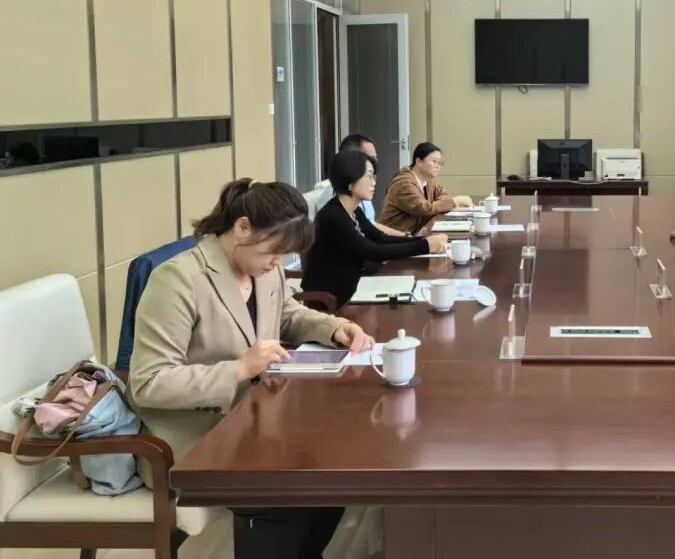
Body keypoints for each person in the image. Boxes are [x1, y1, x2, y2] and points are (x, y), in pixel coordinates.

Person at [128, 179, 375, 559]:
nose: (278, 263)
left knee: (335, 468)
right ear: (242, 228)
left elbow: (288, 314)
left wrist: (334, 327)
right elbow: (149, 383)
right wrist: (239, 369)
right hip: (199, 434)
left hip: (260, 420)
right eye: (274, 252)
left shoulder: (264, 269)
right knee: (284, 492)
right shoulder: (178, 281)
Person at [303, 150, 450, 306]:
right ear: (350, 179)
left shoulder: (353, 210)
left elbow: (381, 238)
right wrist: (425, 246)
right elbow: (373, 251)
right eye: (369, 176)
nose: (374, 183)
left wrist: (424, 240)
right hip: (333, 297)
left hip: (358, 285)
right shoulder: (333, 216)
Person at [379, 142, 472, 235]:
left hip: (410, 235)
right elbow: (424, 209)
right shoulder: (404, 183)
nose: (438, 166)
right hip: (392, 237)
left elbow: (443, 194)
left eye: (440, 163)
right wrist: (454, 201)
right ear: (418, 161)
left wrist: (438, 205)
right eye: (434, 161)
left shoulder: (427, 181)